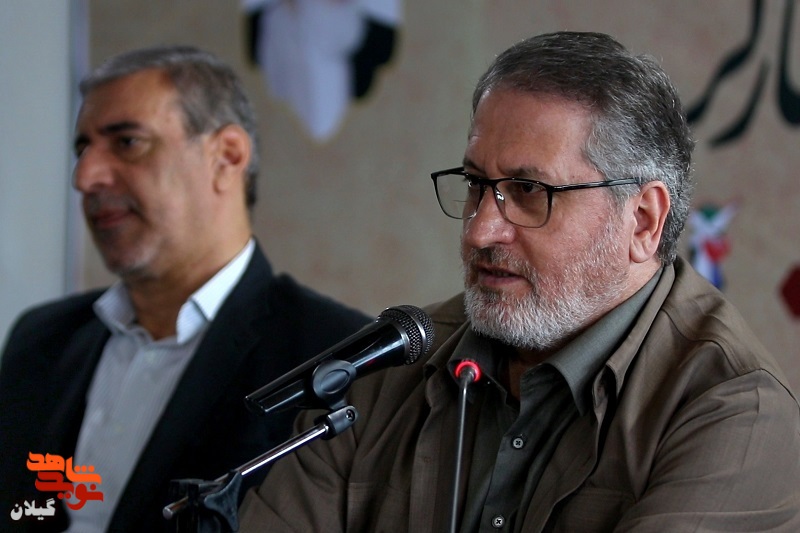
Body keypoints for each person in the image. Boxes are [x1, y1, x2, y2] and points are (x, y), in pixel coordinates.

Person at [237, 31, 800, 531]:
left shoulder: (736, 412)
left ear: (643, 221)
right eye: (476, 184)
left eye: (530, 191)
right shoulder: (394, 363)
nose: (481, 229)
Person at [0, 45, 371, 532]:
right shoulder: (39, 340)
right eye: (82, 149)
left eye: (127, 142)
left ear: (226, 156)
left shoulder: (336, 359)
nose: (85, 177)